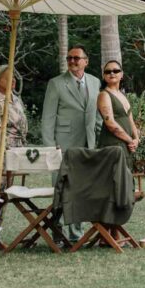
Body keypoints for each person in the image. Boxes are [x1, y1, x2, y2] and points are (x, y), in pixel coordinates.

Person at [42, 44, 101, 242]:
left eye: (76, 58)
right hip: (63, 145)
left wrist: (99, 140)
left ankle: (76, 235)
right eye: (69, 58)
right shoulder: (56, 83)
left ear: (86, 61)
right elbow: (47, 119)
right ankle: (58, 234)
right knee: (61, 190)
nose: (72, 61)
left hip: (87, 145)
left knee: (81, 189)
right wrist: (51, 148)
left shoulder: (94, 82)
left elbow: (96, 115)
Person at [0, 65, 29, 172]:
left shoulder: (16, 99)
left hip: (16, 150)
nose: (13, 80)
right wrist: (8, 149)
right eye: (8, 78)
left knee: (11, 182)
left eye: (13, 77)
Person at [97, 60, 140, 171]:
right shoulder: (104, 95)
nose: (112, 73)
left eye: (115, 71)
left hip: (126, 145)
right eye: (108, 71)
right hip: (112, 145)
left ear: (121, 74)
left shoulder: (123, 95)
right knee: (114, 178)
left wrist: (136, 139)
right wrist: (130, 140)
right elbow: (111, 124)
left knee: (126, 178)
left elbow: (131, 121)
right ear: (104, 76)